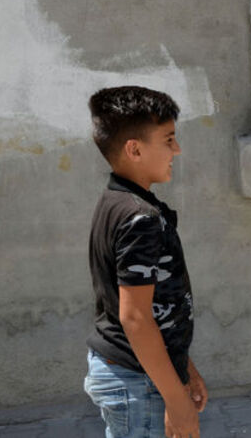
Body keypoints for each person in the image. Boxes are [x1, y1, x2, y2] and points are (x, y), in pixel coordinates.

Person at [85, 86, 206, 438]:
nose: (177, 149)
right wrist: (176, 401)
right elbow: (135, 317)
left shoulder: (118, 201)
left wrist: (185, 369)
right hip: (137, 381)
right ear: (134, 149)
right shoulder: (139, 217)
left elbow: (157, 309)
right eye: (168, 140)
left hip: (137, 375)